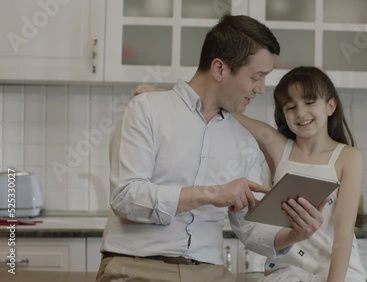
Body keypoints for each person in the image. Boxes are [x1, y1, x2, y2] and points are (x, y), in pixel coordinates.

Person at [97, 15, 325, 282]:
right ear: (220, 69)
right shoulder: (147, 109)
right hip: (137, 267)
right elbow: (125, 197)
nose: (261, 88)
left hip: (210, 273)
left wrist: (297, 233)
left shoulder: (243, 141)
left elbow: (251, 229)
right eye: (256, 76)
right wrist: (210, 193)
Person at [232, 66, 367, 282]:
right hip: (286, 273)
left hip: (337, 274)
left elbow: (344, 230)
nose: (300, 113)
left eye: (310, 102)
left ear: (330, 106)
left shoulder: (349, 157)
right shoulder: (278, 147)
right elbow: (233, 117)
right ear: (283, 115)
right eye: (290, 107)